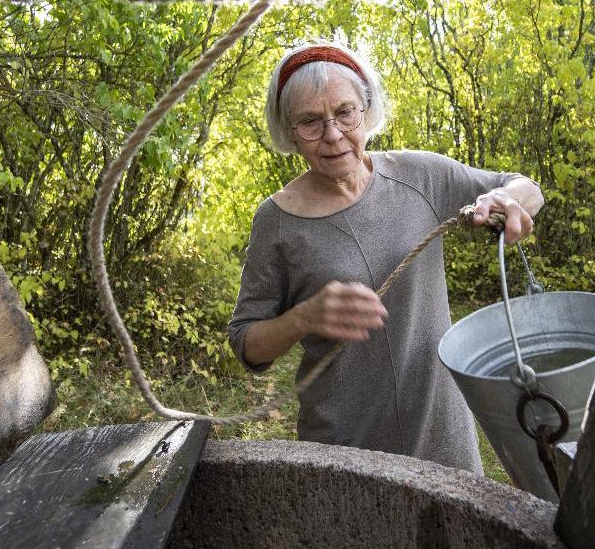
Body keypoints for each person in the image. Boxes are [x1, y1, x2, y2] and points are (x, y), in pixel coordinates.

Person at [227, 42, 544, 474]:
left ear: (366, 108)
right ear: (288, 130)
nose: (333, 134)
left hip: (441, 431)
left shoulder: (419, 176)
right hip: (344, 449)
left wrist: (506, 199)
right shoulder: (277, 220)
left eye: (345, 112)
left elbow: (525, 187)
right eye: (310, 122)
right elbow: (247, 345)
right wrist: (303, 317)